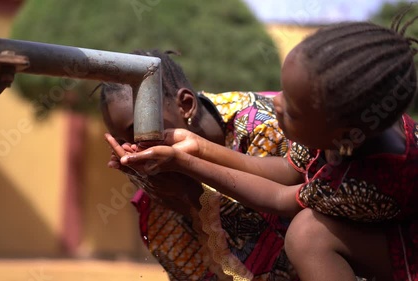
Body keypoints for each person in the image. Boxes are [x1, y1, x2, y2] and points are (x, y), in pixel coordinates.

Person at [110, 17, 418, 281]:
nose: (277, 103)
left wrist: (183, 162)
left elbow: (279, 197)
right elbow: (286, 171)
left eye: (294, 111)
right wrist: (198, 148)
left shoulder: (361, 181)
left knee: (308, 235)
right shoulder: (351, 127)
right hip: (391, 236)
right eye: (284, 91)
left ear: (342, 136)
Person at [101, 49, 298, 280]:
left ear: (185, 105)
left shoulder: (264, 128)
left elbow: (277, 263)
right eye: (122, 142)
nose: (132, 150)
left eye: (141, 131)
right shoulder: (158, 208)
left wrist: (190, 194)